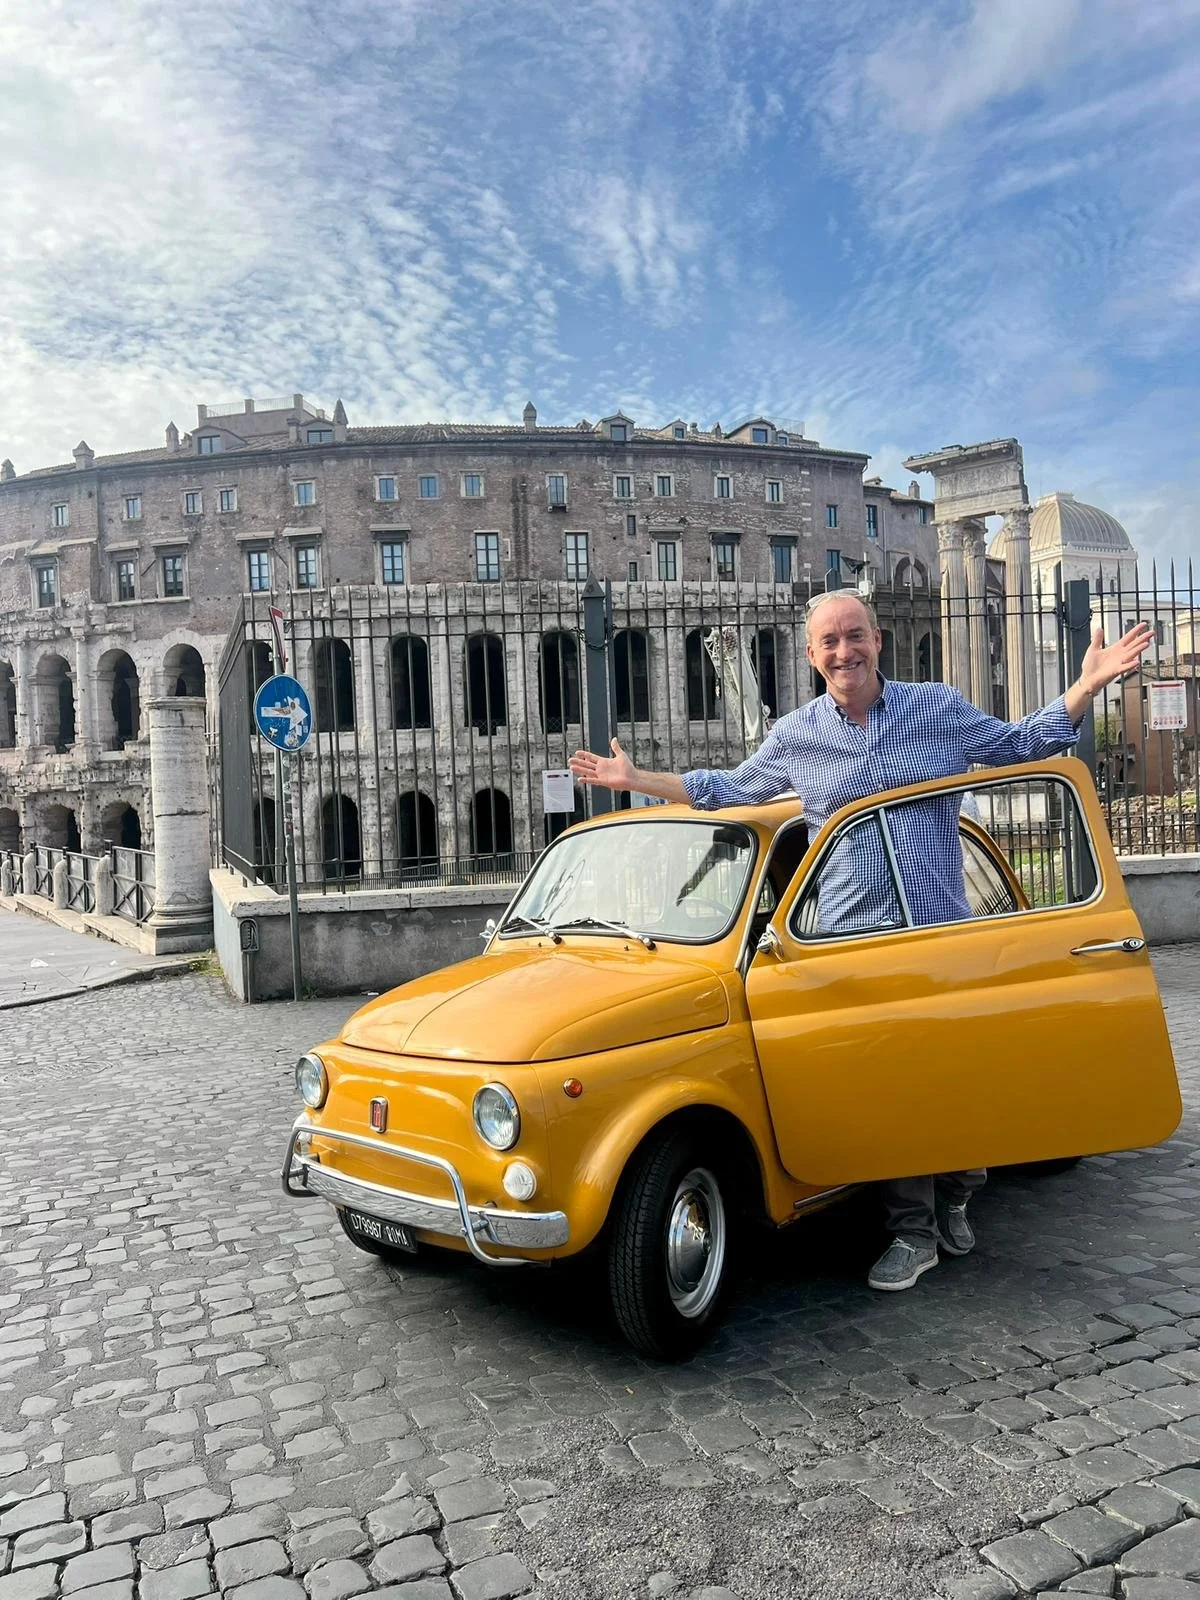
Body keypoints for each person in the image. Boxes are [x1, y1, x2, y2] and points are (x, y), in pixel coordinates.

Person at [570, 591, 1152, 1292]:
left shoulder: (936, 709)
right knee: (893, 1098)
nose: (843, 651)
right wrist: (637, 781)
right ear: (811, 656)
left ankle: (960, 1191)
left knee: (965, 1092)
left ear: (877, 641)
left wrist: (1087, 685)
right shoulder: (796, 735)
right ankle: (912, 1234)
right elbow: (727, 788)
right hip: (850, 944)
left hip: (939, 937)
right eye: (829, 643)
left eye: (854, 637)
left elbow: (1022, 743)